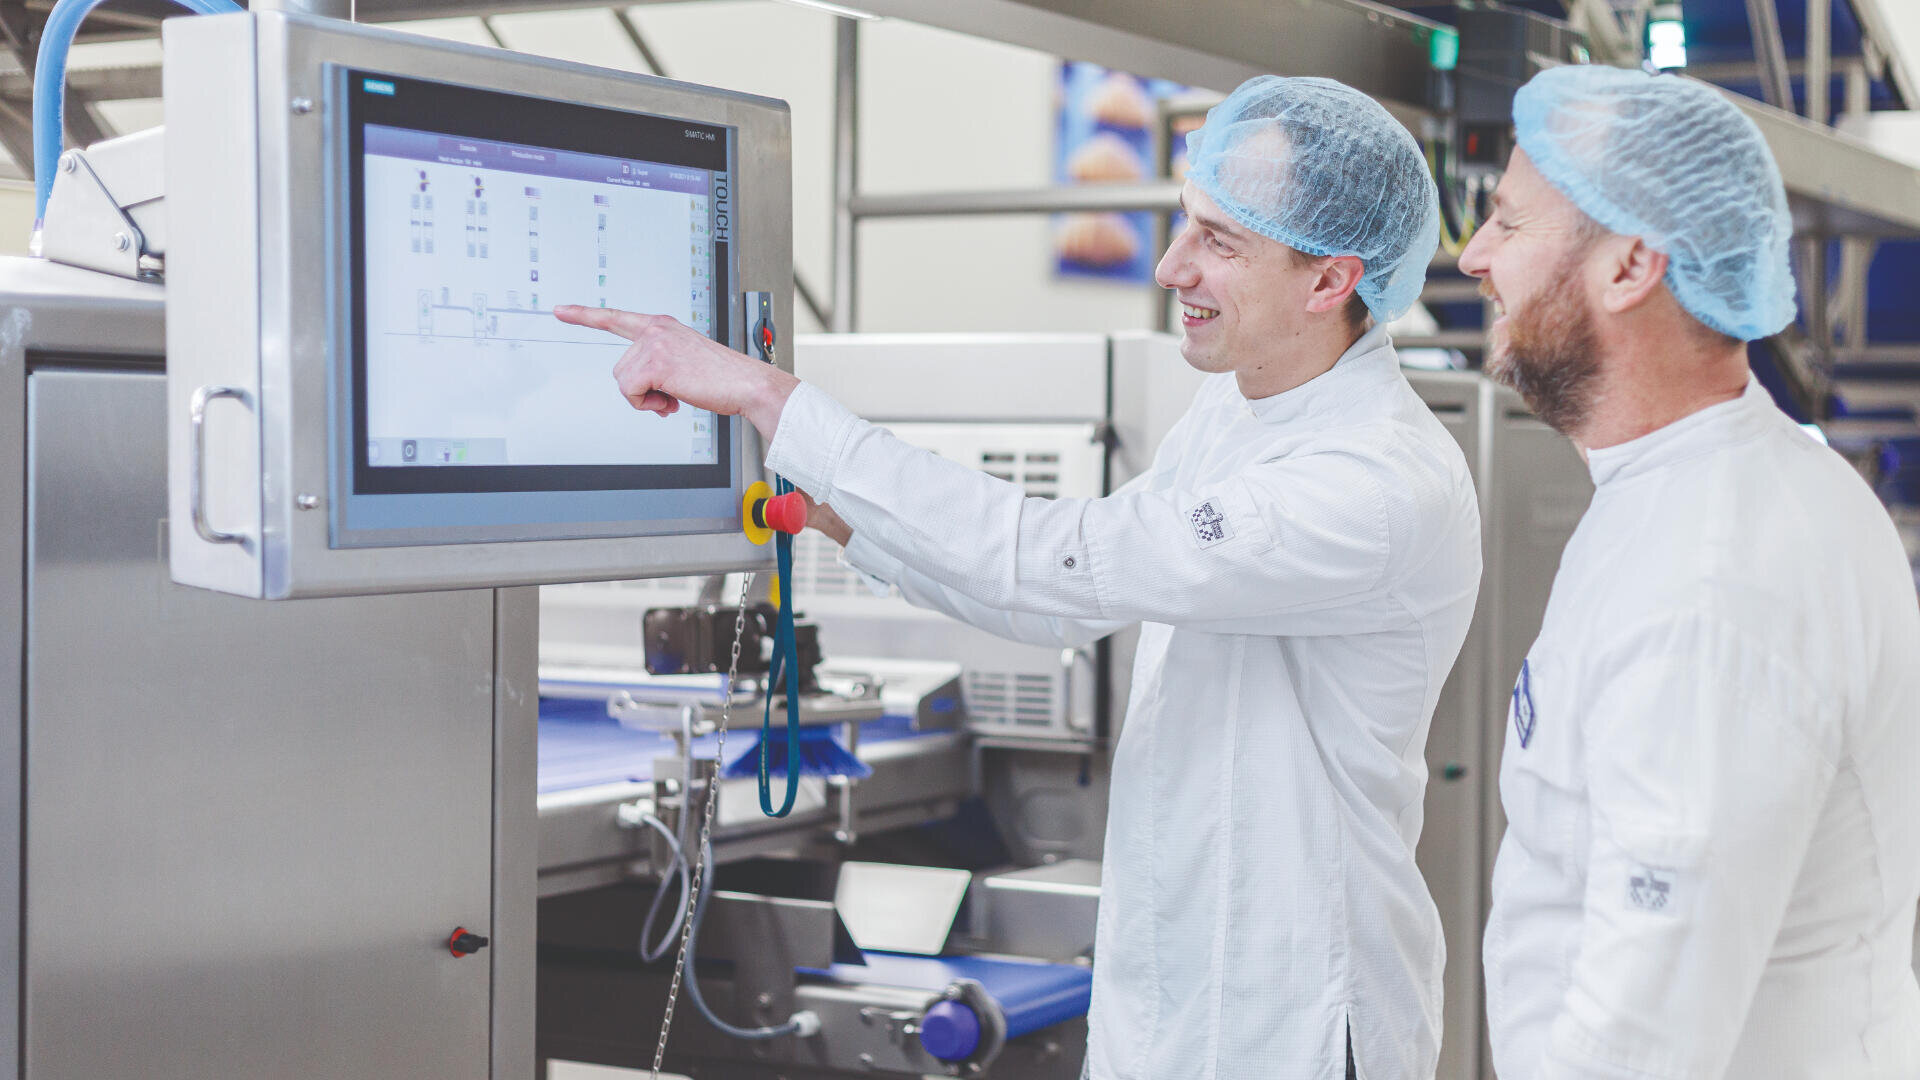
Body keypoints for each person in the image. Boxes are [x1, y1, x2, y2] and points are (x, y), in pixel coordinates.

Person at [559, 76, 1483, 1080]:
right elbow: (1054, 609)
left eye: (1220, 241)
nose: (1171, 265)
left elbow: (1060, 563)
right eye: (1184, 221)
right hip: (1188, 991)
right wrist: (847, 520)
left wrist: (768, 395)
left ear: (1329, 280)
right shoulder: (1237, 412)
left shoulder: (1372, 483)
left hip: (1294, 1019)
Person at [1461, 64, 1920, 1079]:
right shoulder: (1707, 489)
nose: (1475, 255)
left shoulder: (1711, 583)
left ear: (1630, 266)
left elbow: (1639, 1043)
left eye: (1508, 221)